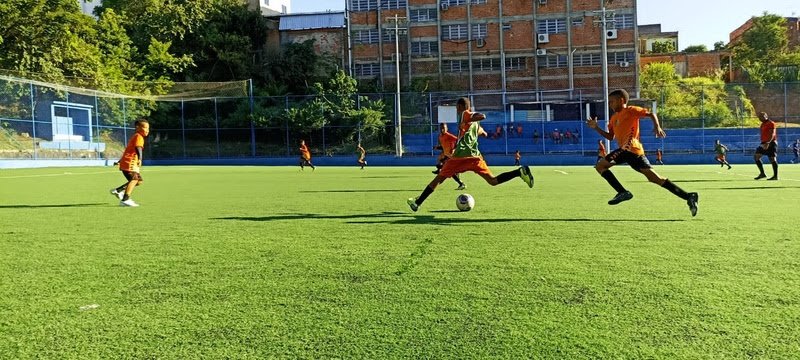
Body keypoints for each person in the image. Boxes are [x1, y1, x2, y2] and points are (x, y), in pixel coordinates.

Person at [407, 97, 534, 212]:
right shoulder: (474, 124)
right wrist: (482, 132)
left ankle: (417, 203)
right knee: (493, 181)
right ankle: (519, 172)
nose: (457, 111)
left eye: (457, 108)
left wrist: (476, 116)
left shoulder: (464, 114)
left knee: (438, 179)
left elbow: (480, 116)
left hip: (459, 157)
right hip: (475, 158)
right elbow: (479, 131)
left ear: (462, 107)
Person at [586, 89, 698, 216]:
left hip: (629, 148)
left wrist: (657, 126)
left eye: (612, 102)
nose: (610, 105)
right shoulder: (613, 118)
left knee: (600, 166)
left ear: (621, 100)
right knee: (655, 179)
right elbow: (610, 136)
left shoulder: (630, 110)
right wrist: (596, 127)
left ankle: (622, 192)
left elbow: (651, 114)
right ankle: (689, 196)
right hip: (634, 153)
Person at [110, 119, 150, 207]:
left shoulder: (136, 136)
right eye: (145, 127)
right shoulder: (138, 136)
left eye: (148, 128)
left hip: (128, 162)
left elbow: (128, 150)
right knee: (134, 180)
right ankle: (125, 200)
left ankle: (118, 190)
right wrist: (140, 159)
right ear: (137, 127)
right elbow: (138, 148)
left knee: (138, 181)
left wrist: (120, 161)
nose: (147, 130)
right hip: (130, 163)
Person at [432, 123, 467, 190]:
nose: (443, 129)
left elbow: (458, 141)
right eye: (441, 128)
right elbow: (443, 146)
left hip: (452, 156)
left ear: (447, 129)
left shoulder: (449, 136)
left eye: (444, 128)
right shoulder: (440, 137)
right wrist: (437, 147)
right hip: (447, 155)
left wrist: (454, 149)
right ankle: (460, 183)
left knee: (447, 169)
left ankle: (461, 183)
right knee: (443, 166)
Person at [753, 112, 778, 180]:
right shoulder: (762, 124)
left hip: (771, 143)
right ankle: (762, 174)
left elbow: (772, 134)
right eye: (759, 117)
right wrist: (764, 142)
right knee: (756, 156)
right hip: (763, 143)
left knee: (772, 159)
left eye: (762, 116)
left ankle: (775, 176)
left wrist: (768, 142)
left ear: (766, 116)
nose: (760, 118)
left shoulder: (771, 123)